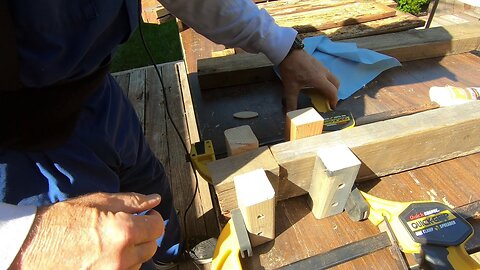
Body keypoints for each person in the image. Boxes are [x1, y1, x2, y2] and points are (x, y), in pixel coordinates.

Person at [0, 0, 339, 269]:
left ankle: (168, 258)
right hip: (17, 149)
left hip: (95, 95)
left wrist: (281, 45)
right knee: (101, 251)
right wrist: (23, 240)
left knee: (150, 190)